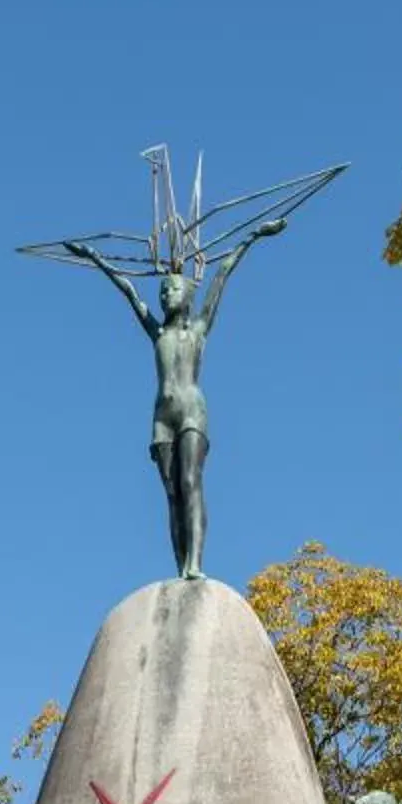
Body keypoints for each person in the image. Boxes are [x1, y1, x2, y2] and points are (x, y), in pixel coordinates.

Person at [58, 217, 286, 581]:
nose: (166, 295)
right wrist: (96, 259)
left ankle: (195, 562)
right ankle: (182, 565)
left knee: (191, 482)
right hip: (162, 416)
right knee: (171, 494)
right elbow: (129, 291)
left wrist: (254, 236)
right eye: (163, 291)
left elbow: (223, 273)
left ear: (189, 295)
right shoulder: (157, 331)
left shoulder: (198, 330)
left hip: (192, 410)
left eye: (174, 289)